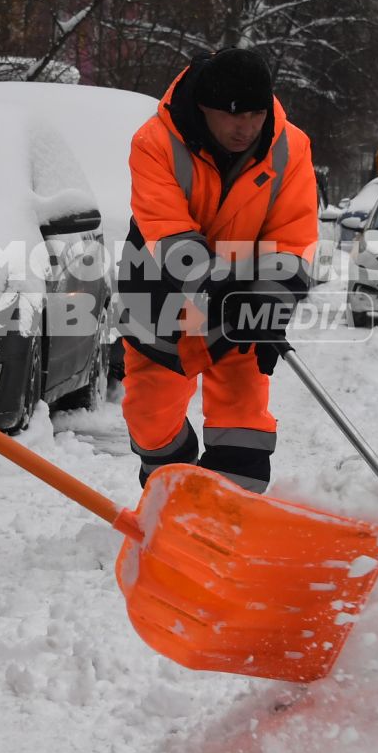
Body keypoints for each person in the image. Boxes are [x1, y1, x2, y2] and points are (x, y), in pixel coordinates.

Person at [116, 48, 317, 493]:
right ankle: (174, 489)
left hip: (245, 301)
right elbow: (168, 233)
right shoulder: (154, 142)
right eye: (231, 115)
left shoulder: (291, 148)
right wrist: (219, 289)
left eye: (255, 114)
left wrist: (269, 303)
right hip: (160, 299)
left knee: (243, 427)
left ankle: (227, 524)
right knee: (151, 422)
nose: (245, 127)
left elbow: (291, 236)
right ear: (203, 109)